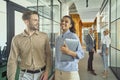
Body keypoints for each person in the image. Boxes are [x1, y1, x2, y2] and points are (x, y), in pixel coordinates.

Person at [7, 11, 51, 80]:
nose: (38, 22)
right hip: (24, 75)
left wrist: (47, 72)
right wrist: (11, 78)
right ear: (26, 22)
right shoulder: (16, 39)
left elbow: (48, 55)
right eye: (35, 20)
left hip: (41, 75)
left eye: (38, 20)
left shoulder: (44, 36)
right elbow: (12, 60)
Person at [55, 15, 84, 80]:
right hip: (58, 72)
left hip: (70, 72)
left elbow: (81, 54)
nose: (63, 22)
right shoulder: (58, 38)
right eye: (62, 21)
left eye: (66, 21)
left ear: (70, 25)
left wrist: (68, 52)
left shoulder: (73, 36)